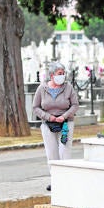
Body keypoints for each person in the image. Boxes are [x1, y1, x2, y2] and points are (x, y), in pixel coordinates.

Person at [33, 62, 79, 191]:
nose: (62, 76)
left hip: (65, 124)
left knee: (64, 150)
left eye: (63, 73)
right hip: (48, 124)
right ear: (52, 75)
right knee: (52, 153)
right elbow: (35, 107)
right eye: (60, 73)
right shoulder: (42, 89)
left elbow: (75, 105)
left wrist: (64, 116)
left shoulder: (68, 87)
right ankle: (55, 180)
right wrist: (49, 117)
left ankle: (65, 180)